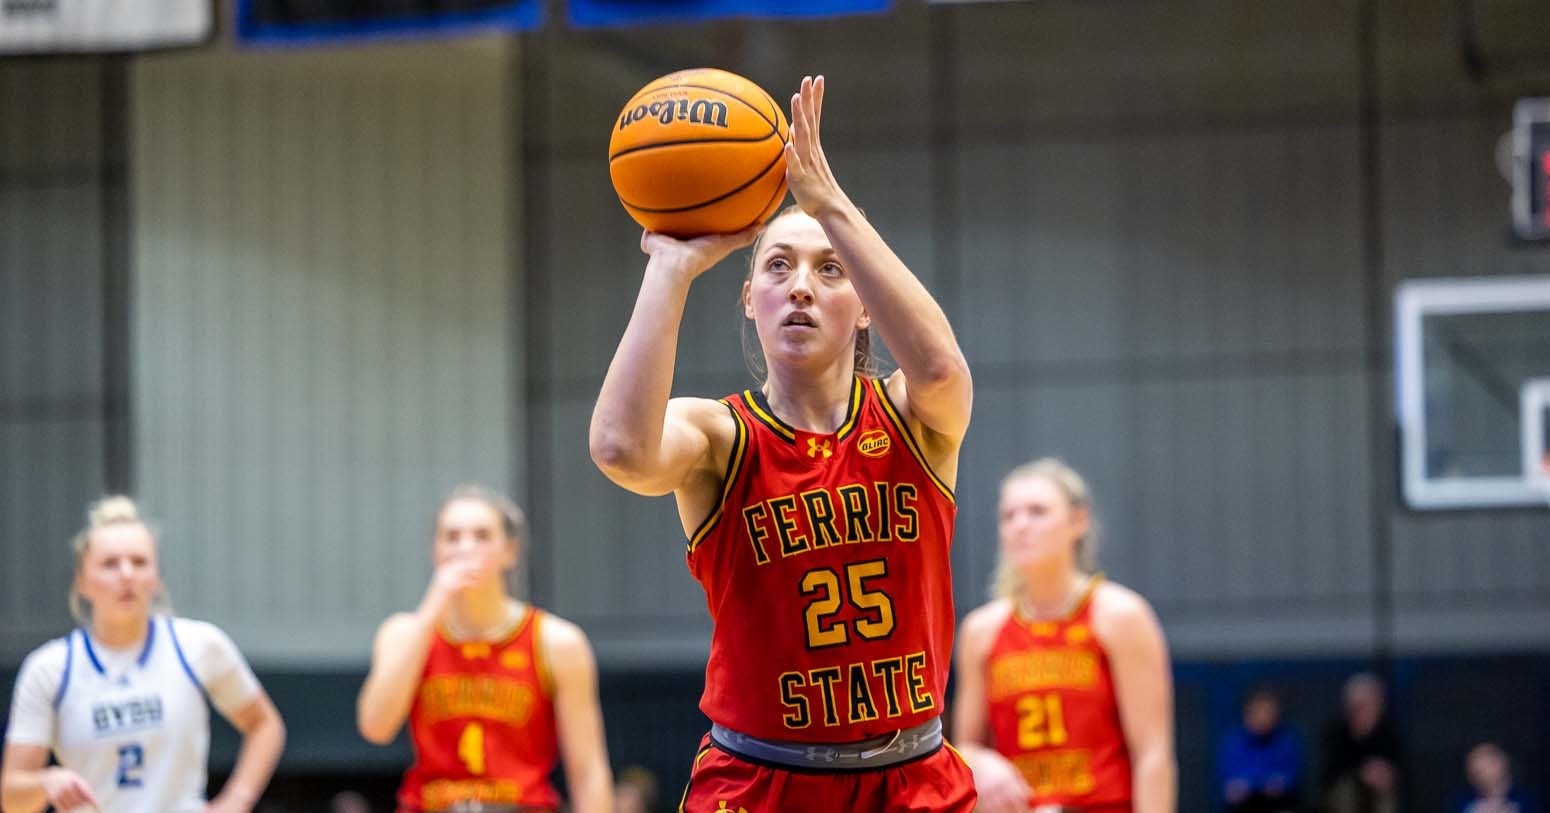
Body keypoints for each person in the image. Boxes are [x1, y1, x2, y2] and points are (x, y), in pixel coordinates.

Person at [589, 74, 976, 811]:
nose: (801, 285)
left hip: (912, 776)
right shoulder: (720, 436)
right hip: (760, 780)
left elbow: (941, 367)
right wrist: (670, 268)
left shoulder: (912, 417)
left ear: (864, 305)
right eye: (778, 266)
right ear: (749, 299)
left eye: (829, 269)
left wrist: (828, 200)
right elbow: (618, 447)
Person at [1, 496, 286, 813]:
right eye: (110, 564)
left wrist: (237, 800)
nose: (126, 574)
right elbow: (11, 799)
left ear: (156, 576)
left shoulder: (199, 645)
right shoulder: (49, 668)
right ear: (82, 581)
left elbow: (265, 725)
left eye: (139, 562)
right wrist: (46, 781)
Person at [356, 486, 611, 813]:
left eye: (481, 535)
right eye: (452, 536)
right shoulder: (405, 632)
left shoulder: (556, 641)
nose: (466, 547)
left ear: (510, 551)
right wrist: (432, 608)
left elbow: (589, 772)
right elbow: (376, 727)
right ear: (436, 551)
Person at [951, 459, 1175, 813]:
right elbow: (964, 747)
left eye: (1037, 512)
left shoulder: (1120, 616)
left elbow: (1152, 754)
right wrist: (978, 760)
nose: (1020, 525)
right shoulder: (981, 631)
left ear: (1077, 521)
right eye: (1008, 516)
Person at [1318, 672, 1401, 813]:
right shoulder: (1336, 732)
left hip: (1377, 791)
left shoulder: (1388, 733)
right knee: (1346, 788)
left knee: (1385, 787)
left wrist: (1384, 772)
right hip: (1342, 791)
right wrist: (1362, 771)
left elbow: (1396, 765)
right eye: (1355, 705)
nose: (1359, 710)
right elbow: (1331, 770)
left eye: (1365, 704)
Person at [1219, 687, 1302, 813]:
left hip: (1278, 805)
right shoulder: (1233, 742)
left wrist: (1279, 783)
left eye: (1268, 712)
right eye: (1258, 712)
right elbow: (1229, 784)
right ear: (1247, 714)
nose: (1263, 717)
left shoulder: (1286, 741)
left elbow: (1291, 777)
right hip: (1243, 807)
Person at [1450, 742, 1539, 813]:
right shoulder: (1461, 804)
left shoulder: (1528, 801)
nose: (1482, 772)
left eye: (1488, 764)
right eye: (1476, 768)